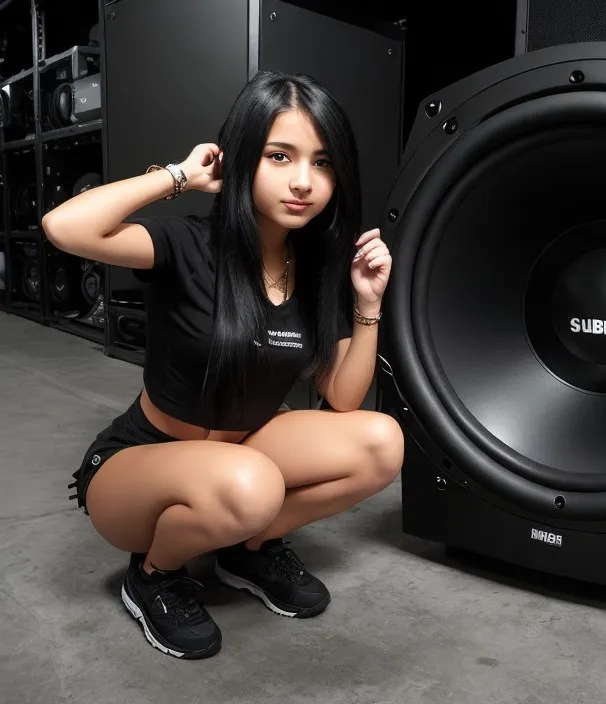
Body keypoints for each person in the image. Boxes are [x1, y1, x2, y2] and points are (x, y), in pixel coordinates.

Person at [43, 70, 405, 660]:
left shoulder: (317, 270)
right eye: (279, 156)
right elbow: (64, 227)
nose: (303, 182)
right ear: (242, 159)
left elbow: (342, 399)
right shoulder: (186, 244)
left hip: (242, 454)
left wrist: (368, 305)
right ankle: (154, 575)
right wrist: (180, 176)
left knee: (381, 442)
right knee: (252, 483)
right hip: (141, 464)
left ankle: (249, 546)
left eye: (323, 163)